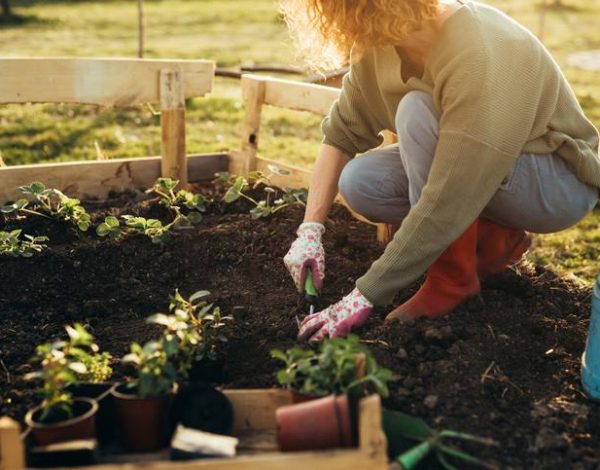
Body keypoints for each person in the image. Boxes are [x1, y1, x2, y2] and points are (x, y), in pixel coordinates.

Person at [282, 0, 600, 343]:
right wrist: (310, 231)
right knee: (361, 182)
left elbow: (448, 194)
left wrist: (363, 296)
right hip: (483, 170)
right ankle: (491, 237)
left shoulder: (477, 50)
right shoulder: (379, 47)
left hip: (555, 181)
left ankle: (452, 279)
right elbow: (340, 135)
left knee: (415, 111)